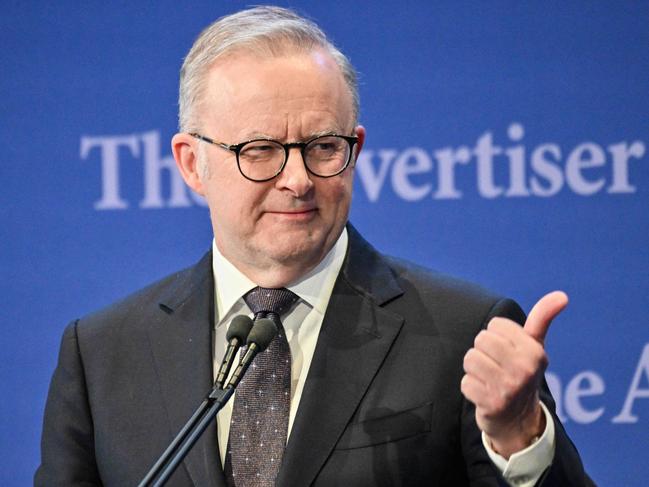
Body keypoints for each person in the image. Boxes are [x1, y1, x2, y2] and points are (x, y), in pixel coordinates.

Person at [36, 6, 593, 487]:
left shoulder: (462, 331)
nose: (298, 179)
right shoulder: (104, 353)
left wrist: (520, 440)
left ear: (356, 147)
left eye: (324, 147)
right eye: (259, 150)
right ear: (191, 163)